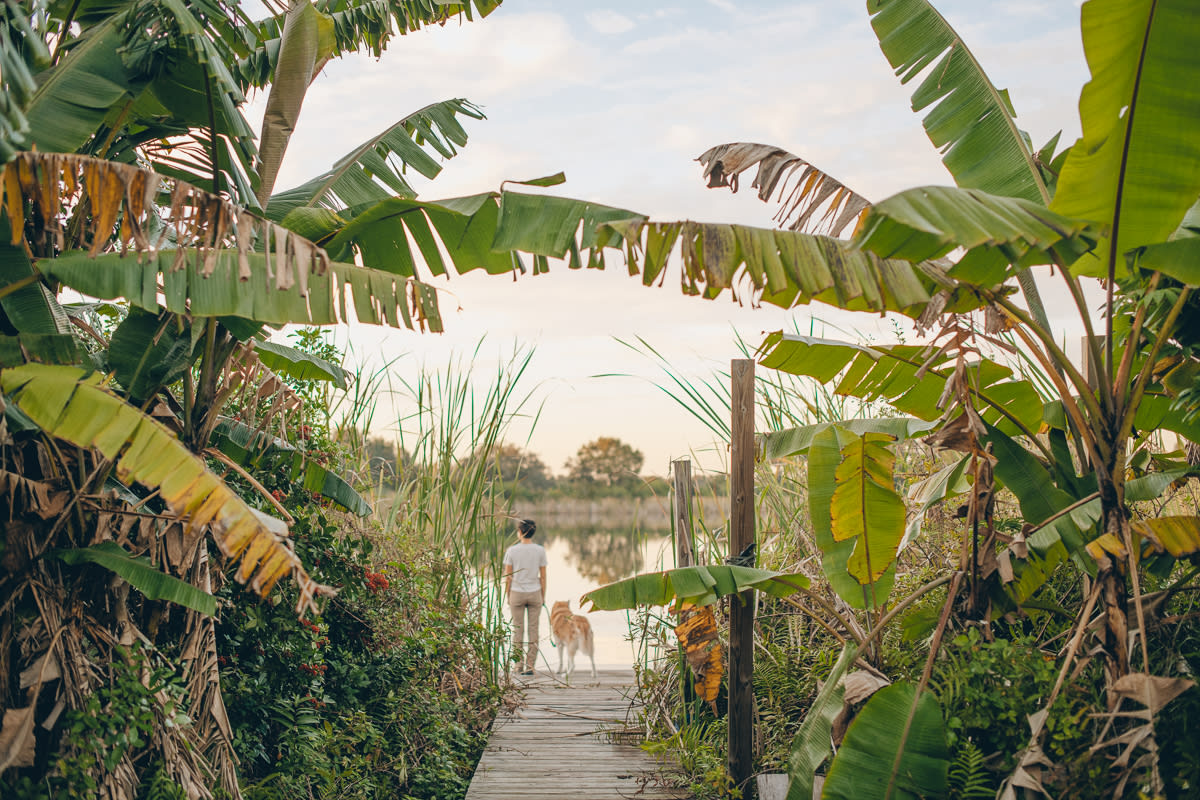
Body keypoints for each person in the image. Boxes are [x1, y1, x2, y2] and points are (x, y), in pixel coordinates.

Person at [502, 519, 547, 676]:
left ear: (520, 532)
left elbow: (508, 576)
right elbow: (543, 577)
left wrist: (508, 595)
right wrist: (543, 596)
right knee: (533, 630)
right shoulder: (540, 550)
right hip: (535, 592)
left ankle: (517, 666)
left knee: (517, 630)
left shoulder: (512, 551)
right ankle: (530, 666)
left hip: (517, 593)